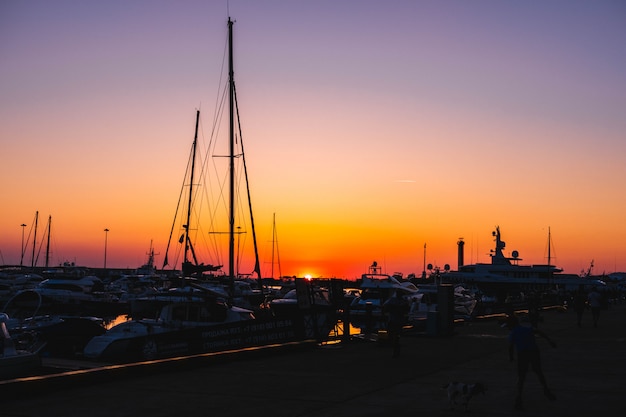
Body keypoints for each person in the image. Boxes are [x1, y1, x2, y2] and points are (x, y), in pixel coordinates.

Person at [505, 314, 557, 411]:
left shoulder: (513, 333)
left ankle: (519, 397)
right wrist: (549, 341)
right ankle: (546, 389)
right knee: (539, 372)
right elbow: (539, 332)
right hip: (533, 352)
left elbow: (511, 347)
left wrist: (511, 357)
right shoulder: (527, 329)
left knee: (521, 377)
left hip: (523, 354)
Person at [383, 290, 409, 358]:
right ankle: (395, 350)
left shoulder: (394, 301)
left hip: (395, 321)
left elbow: (386, 307)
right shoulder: (401, 301)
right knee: (395, 336)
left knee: (395, 337)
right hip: (396, 321)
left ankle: (395, 351)